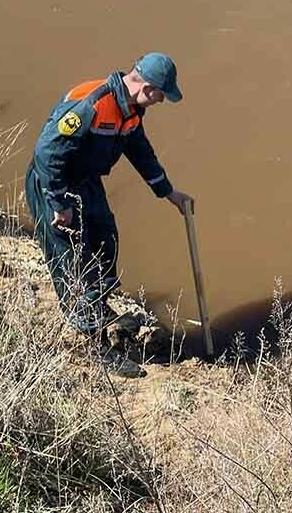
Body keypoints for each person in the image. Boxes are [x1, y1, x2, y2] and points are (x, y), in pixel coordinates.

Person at [25, 52, 193, 378]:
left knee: (105, 242)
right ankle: (96, 345)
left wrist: (168, 192)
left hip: (85, 183)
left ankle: (97, 308)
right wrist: (60, 205)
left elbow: (140, 152)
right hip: (54, 185)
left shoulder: (130, 111)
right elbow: (46, 155)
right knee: (76, 262)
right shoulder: (91, 106)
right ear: (147, 88)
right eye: (161, 95)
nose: (160, 102)